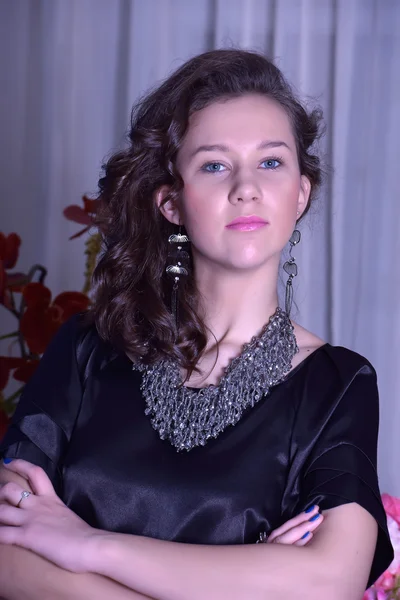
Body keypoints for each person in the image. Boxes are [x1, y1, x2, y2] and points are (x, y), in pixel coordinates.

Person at [0, 48, 394, 600]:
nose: (246, 186)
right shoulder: (88, 349)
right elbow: (5, 553)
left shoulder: (338, 383)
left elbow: (329, 581)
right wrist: (243, 577)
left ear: (301, 193)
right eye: (214, 164)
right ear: (171, 203)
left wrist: (88, 544)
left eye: (272, 161)